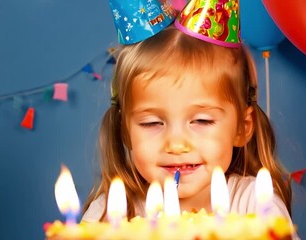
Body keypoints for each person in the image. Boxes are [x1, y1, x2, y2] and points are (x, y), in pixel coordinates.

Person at [82, 0, 295, 234]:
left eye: (202, 120)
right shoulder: (109, 212)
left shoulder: (257, 204)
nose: (176, 144)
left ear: (242, 128)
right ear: (125, 130)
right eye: (152, 123)